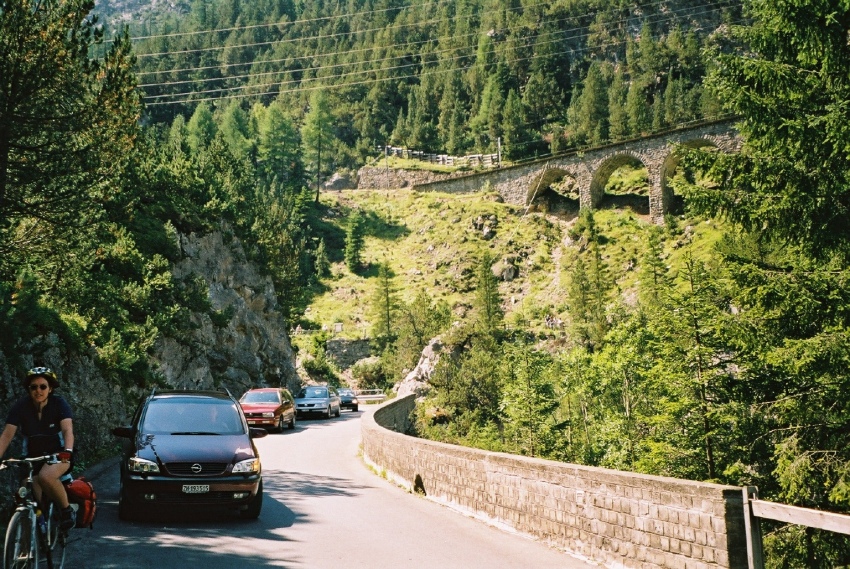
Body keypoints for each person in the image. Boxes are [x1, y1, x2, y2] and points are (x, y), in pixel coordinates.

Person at [0, 367, 76, 531]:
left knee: (46, 477)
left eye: (43, 386)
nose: (38, 390)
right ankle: (36, 534)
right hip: (32, 457)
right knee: (31, 497)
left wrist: (68, 451)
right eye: (33, 387)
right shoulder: (21, 406)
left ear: (50, 388)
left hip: (59, 454)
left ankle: (66, 510)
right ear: (29, 389)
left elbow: (67, 430)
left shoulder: (59, 403)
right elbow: (7, 435)